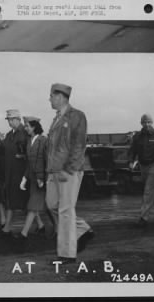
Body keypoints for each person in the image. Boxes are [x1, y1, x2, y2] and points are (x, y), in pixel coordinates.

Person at [45, 83, 94, 264]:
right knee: (51, 205)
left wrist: (69, 169)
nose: (49, 99)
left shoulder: (77, 116)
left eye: (51, 96)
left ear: (60, 97)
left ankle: (66, 253)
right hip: (54, 171)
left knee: (65, 210)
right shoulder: (57, 118)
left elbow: (79, 145)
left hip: (68, 171)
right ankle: (82, 229)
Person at [129, 114, 154, 227]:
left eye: (149, 122)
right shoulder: (137, 136)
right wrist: (131, 161)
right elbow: (132, 150)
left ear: (152, 122)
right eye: (144, 122)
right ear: (141, 123)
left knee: (148, 189)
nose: (147, 124)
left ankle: (143, 217)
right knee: (153, 191)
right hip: (143, 165)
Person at [15, 117, 48, 240]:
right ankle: (41, 226)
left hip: (41, 179)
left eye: (27, 126)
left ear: (34, 127)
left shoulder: (44, 141)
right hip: (33, 179)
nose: (25, 128)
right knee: (35, 205)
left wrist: (42, 178)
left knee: (33, 206)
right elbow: (29, 162)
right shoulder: (30, 141)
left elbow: (47, 161)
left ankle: (24, 233)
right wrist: (25, 177)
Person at [0, 109, 29, 237]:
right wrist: (0, 141)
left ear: (18, 119)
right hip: (11, 172)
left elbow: (30, 150)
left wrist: (23, 156)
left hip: (21, 173)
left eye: (12, 119)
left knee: (18, 201)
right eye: (8, 120)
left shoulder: (24, 132)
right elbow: (3, 149)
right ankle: (41, 225)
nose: (10, 122)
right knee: (20, 201)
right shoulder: (10, 134)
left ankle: (7, 227)